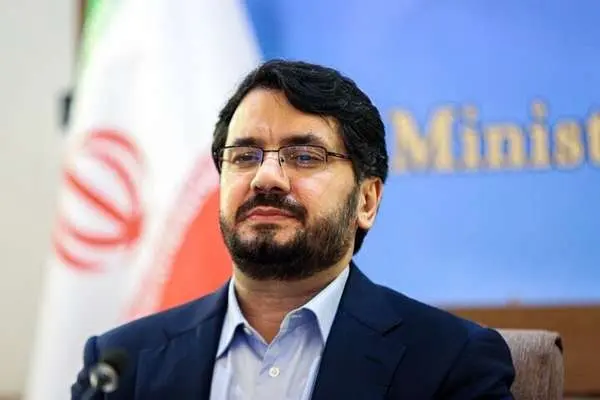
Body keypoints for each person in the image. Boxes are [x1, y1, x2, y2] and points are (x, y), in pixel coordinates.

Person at [71, 59, 515, 399]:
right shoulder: (121, 367)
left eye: (304, 157)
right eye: (245, 156)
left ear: (366, 200)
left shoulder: (450, 363)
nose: (265, 178)